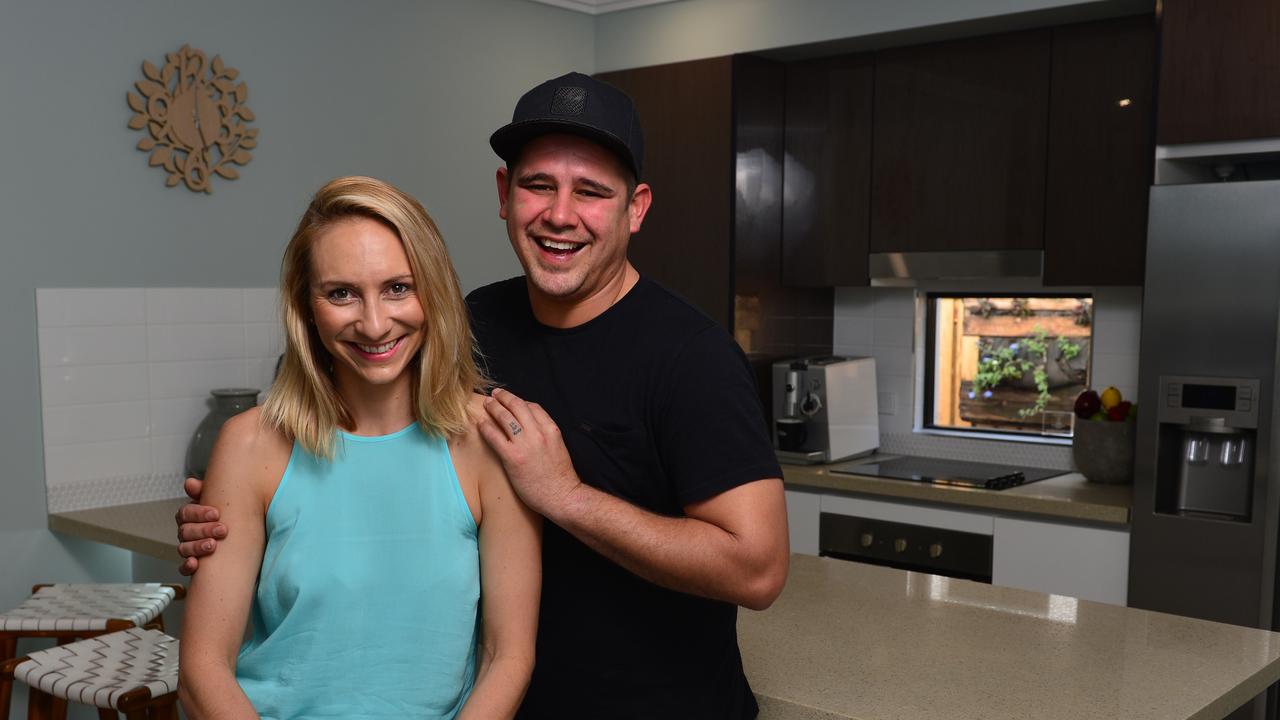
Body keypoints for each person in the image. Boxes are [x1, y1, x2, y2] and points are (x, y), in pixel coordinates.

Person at [178, 74, 789, 719]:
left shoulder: (690, 357)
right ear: (505, 194)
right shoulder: (472, 326)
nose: (559, 214)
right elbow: (355, 442)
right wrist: (235, 510)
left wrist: (567, 497)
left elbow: (757, 570)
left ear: (635, 208)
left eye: (591, 192)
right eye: (537, 185)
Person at [177, 176, 542, 720]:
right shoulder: (250, 444)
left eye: (398, 287)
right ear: (307, 305)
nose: (374, 324)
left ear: (433, 291)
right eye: (341, 293)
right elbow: (202, 670)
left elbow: (506, 657)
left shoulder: (490, 442)